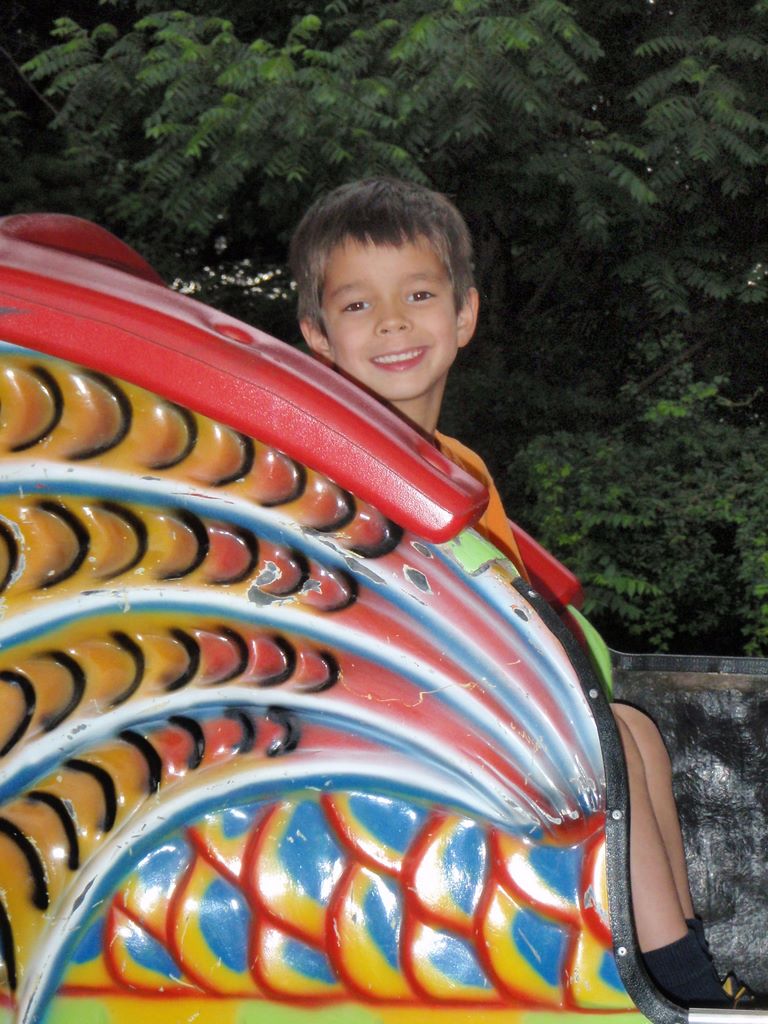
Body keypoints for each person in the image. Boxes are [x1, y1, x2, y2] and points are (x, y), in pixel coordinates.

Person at [288, 177, 731, 1008]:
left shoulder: (459, 467)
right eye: (357, 305)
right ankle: (678, 982)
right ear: (318, 335)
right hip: (402, 726)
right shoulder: (342, 471)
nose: (392, 322)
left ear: (464, 314)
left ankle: (682, 954)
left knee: (635, 730)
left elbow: (514, 596)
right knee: (604, 745)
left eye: (419, 295)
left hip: (479, 707)